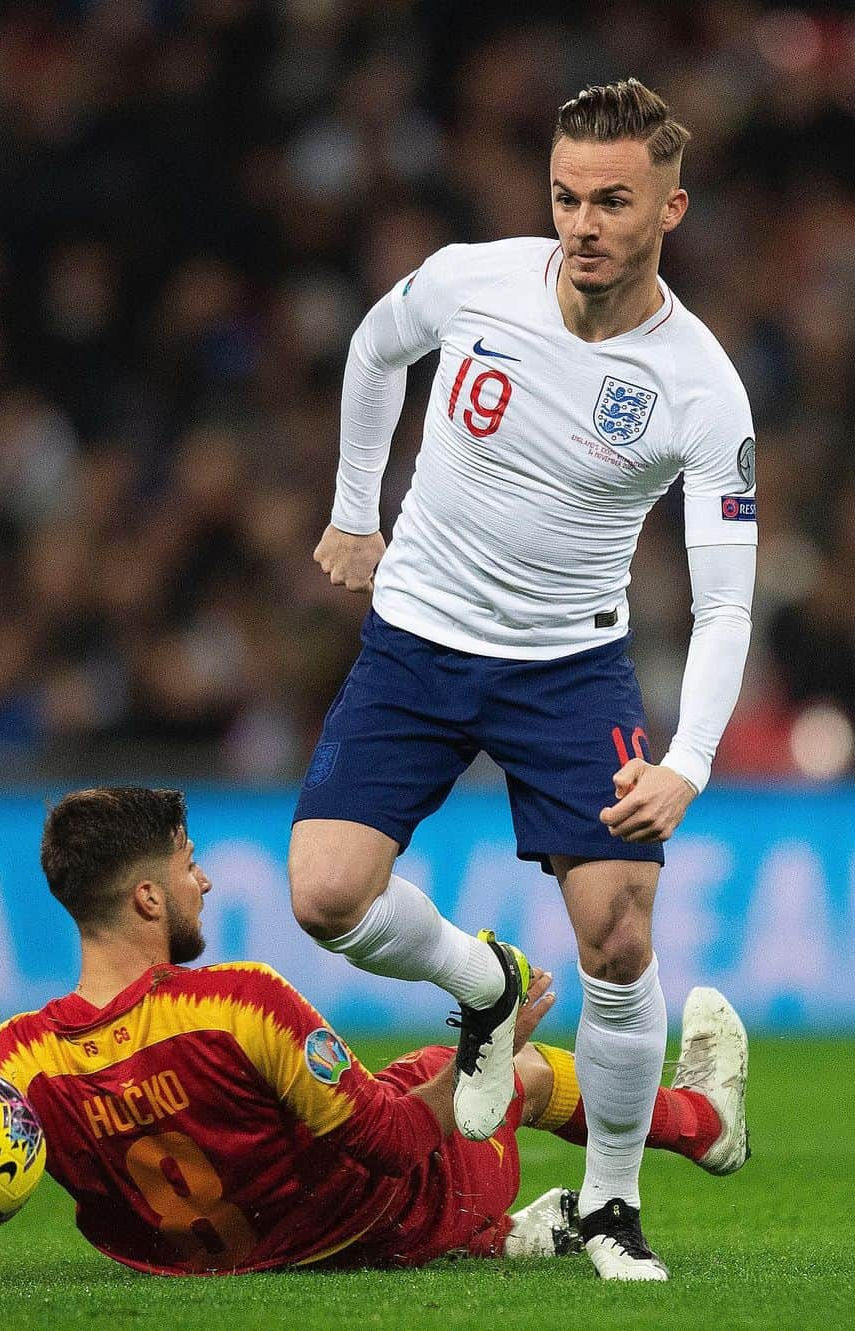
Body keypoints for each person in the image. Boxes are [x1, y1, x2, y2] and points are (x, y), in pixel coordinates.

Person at [288, 78, 756, 1280]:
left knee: (617, 933)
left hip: (568, 668)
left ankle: (609, 1201)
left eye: (612, 200)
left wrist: (688, 763)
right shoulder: (470, 278)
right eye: (565, 195)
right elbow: (373, 346)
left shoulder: (699, 386)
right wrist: (354, 508)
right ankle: (486, 985)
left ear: (671, 209)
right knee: (325, 896)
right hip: (418, 640)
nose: (582, 222)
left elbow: (724, 600)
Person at [0, 787, 749, 1281]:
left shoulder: (13, 1060)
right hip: (380, 1222)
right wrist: (485, 1050)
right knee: (517, 1072)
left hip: (200, 1256)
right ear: (148, 892)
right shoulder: (237, 1000)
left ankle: (530, 1228)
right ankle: (704, 1121)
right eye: (190, 863)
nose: (205, 880)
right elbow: (397, 1143)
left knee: (402, 1076)